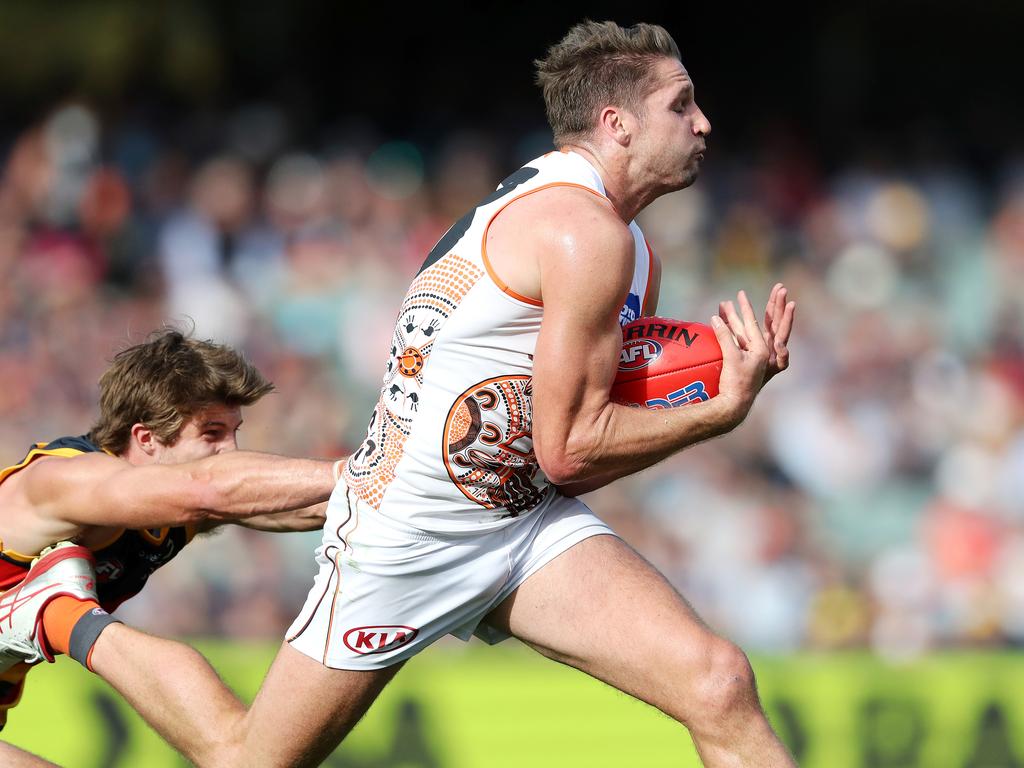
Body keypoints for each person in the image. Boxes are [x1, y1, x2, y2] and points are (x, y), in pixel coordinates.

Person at [6, 21, 798, 767]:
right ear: (617, 123)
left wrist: (682, 404)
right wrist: (716, 411)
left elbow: (564, 452)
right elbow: (571, 447)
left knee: (719, 683)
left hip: (517, 521)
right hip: (411, 536)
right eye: (680, 103)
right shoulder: (577, 229)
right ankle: (59, 614)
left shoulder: (622, 246)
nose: (702, 124)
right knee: (251, 758)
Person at [0, 328, 339, 737]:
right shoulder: (64, 481)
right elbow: (209, 487)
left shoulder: (172, 506)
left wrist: (398, 491)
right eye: (212, 434)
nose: (231, 451)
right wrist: (357, 472)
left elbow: (301, 505)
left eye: (235, 431)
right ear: (146, 439)